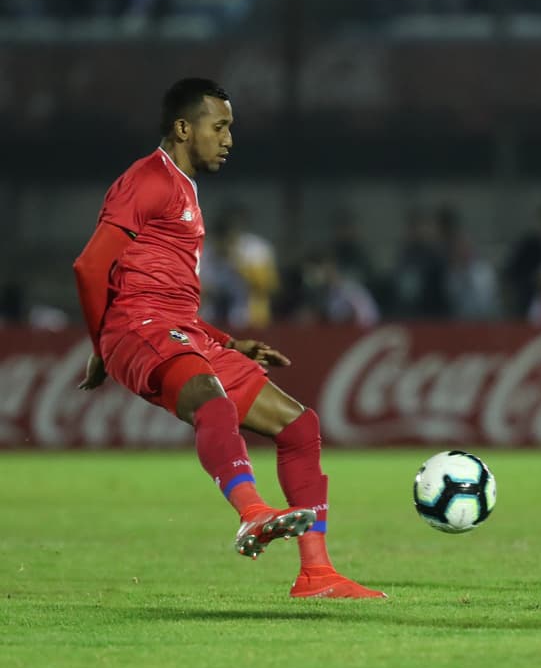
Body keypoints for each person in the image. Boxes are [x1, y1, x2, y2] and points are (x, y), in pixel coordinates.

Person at [72, 78, 384, 599]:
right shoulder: (148, 179)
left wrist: (229, 343)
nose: (228, 138)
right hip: (138, 327)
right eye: (219, 126)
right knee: (210, 404)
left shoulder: (183, 190)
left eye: (230, 128)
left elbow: (169, 292)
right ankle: (253, 512)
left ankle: (317, 574)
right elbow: (89, 267)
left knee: (298, 426)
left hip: (179, 328)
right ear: (182, 128)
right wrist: (103, 343)